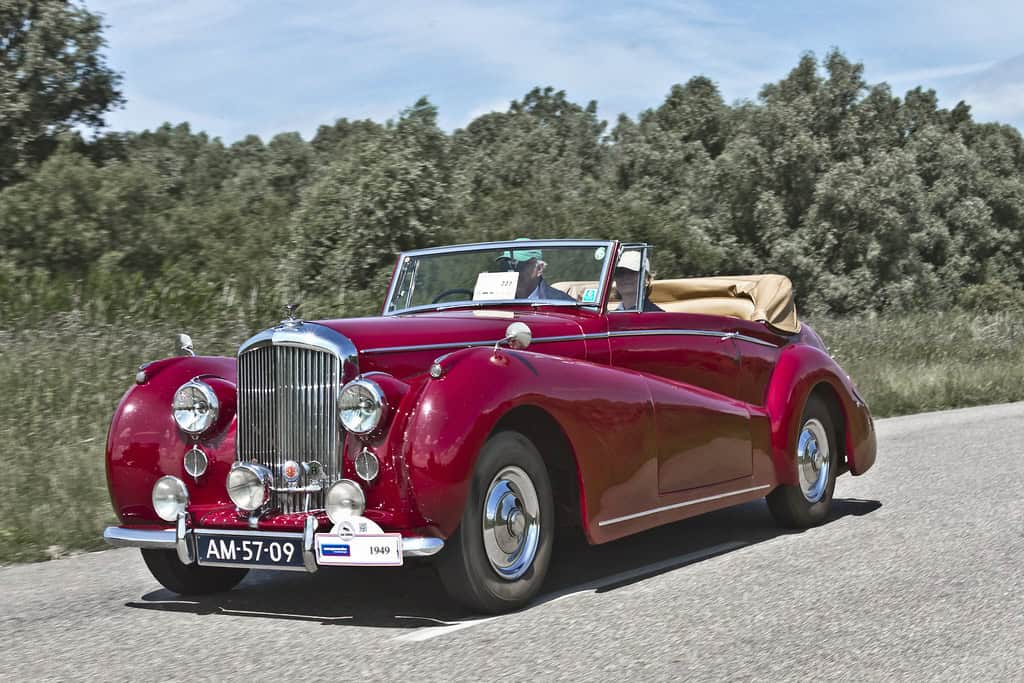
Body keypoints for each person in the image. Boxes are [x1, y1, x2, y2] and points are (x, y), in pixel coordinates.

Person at [495, 241, 576, 301]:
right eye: (505, 265)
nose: (511, 272)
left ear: (539, 269)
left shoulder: (561, 302)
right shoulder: (493, 302)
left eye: (519, 265)